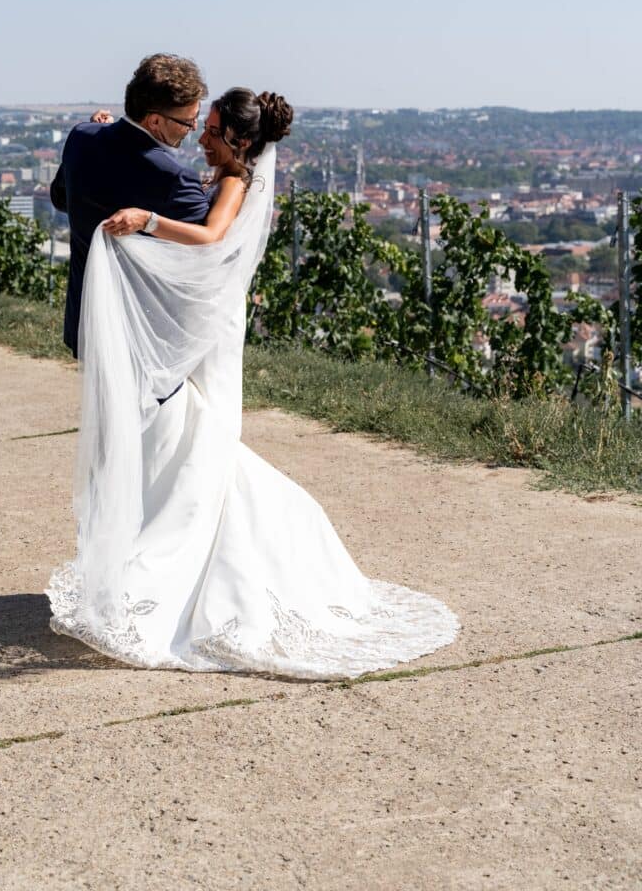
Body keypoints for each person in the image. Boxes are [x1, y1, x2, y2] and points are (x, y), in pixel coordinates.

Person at [46, 87, 459, 679]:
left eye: (210, 129)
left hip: (210, 323)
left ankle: (184, 548)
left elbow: (212, 236)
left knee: (198, 430)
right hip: (206, 312)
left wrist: (146, 220)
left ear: (238, 141)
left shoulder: (237, 181)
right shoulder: (226, 171)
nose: (201, 137)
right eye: (199, 124)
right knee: (192, 432)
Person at [50, 53, 210, 360]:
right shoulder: (174, 177)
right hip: (145, 332)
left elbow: (60, 199)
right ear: (154, 120)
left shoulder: (81, 137)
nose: (192, 128)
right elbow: (211, 243)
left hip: (86, 317)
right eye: (188, 120)